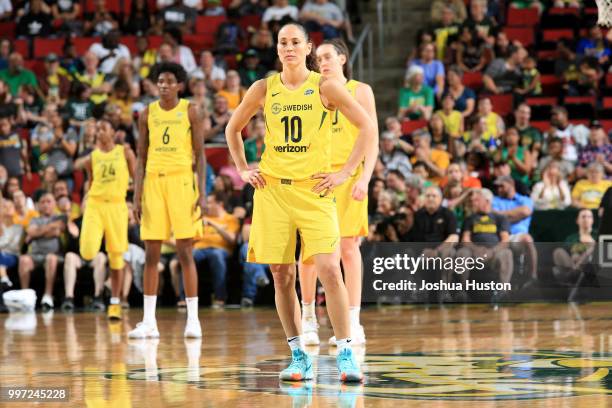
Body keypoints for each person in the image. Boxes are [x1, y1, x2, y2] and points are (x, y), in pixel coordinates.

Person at [225, 23, 376, 382]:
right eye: (283, 42)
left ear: (308, 48)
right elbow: (233, 129)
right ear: (277, 49)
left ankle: (345, 352)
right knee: (281, 274)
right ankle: (297, 355)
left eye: (295, 42)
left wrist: (344, 174)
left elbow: (367, 127)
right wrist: (243, 169)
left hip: (314, 191)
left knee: (329, 269)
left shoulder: (325, 86)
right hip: (273, 191)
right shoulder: (264, 87)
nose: (289, 47)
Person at [297, 39, 378, 347]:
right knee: (309, 252)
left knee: (348, 247)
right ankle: (307, 318)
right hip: (315, 178)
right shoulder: (311, 91)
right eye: (318, 58)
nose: (322, 62)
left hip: (349, 177)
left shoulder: (361, 90)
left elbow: (372, 138)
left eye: (328, 56)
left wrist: (365, 179)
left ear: (343, 58)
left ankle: (353, 321)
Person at [129, 62, 206, 339]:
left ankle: (193, 320)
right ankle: (149, 321)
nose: (163, 85)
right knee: (152, 252)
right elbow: (140, 157)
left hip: (182, 181)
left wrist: (203, 194)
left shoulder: (191, 110)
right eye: (159, 80)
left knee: (185, 252)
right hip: (153, 182)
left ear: (179, 85)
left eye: (169, 81)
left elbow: (201, 156)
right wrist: (136, 195)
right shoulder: (147, 113)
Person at [77, 120, 136, 320]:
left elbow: (137, 179)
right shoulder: (90, 158)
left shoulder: (125, 153)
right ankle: (104, 288)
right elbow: (91, 182)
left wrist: (135, 205)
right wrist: (85, 198)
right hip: (95, 204)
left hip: (117, 206)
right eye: (98, 128)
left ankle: (115, 303)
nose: (100, 131)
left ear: (114, 131)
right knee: (87, 251)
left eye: (104, 128)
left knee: (116, 257)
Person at [458, 188, 513, 302]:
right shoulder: (470, 219)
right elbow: (465, 240)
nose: (474, 202)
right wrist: (476, 249)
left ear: (487, 201)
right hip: (474, 254)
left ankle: (503, 292)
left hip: (494, 253)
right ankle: (461, 292)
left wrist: (492, 252)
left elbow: (505, 241)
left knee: (506, 253)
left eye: (477, 200)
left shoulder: (500, 218)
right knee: (462, 253)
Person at [19, 193, 66, 310]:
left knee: (51, 258)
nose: (45, 205)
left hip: (54, 255)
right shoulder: (34, 219)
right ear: (38, 205)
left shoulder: (60, 217)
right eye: (42, 202)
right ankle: (26, 297)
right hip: (34, 255)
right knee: (24, 259)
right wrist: (50, 227)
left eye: (48, 201)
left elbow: (56, 232)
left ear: (55, 203)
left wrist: (37, 233)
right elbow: (31, 232)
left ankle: (48, 296)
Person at [192, 192, 240, 308]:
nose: (207, 206)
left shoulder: (230, 219)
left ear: (220, 204)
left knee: (216, 255)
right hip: (200, 248)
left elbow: (232, 239)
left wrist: (214, 225)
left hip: (221, 250)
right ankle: (187, 299)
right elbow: (193, 238)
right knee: (189, 257)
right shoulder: (202, 218)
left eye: (209, 203)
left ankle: (220, 298)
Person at [492, 175, 537, 285]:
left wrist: (502, 217)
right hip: (501, 235)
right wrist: (515, 214)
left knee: (527, 239)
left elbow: (526, 211)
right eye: (497, 187)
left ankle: (532, 276)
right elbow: (493, 217)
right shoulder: (495, 200)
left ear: (511, 184)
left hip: (517, 236)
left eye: (502, 186)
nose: (499, 189)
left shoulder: (525, 199)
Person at [553, 208, 596, 283]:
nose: (586, 219)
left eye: (589, 217)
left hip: (592, 267)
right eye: (583, 216)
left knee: (592, 249)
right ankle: (573, 273)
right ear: (577, 220)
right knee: (558, 252)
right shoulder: (571, 238)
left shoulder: (597, 235)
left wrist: (591, 244)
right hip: (571, 265)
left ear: (593, 220)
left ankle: (573, 273)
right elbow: (566, 255)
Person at [0, 198, 22, 290]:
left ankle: (4, 278)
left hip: (12, 256)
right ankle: (4, 278)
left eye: (10, 206)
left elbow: (15, 247)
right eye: (4, 207)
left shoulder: (19, 227)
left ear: (15, 210)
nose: (7, 208)